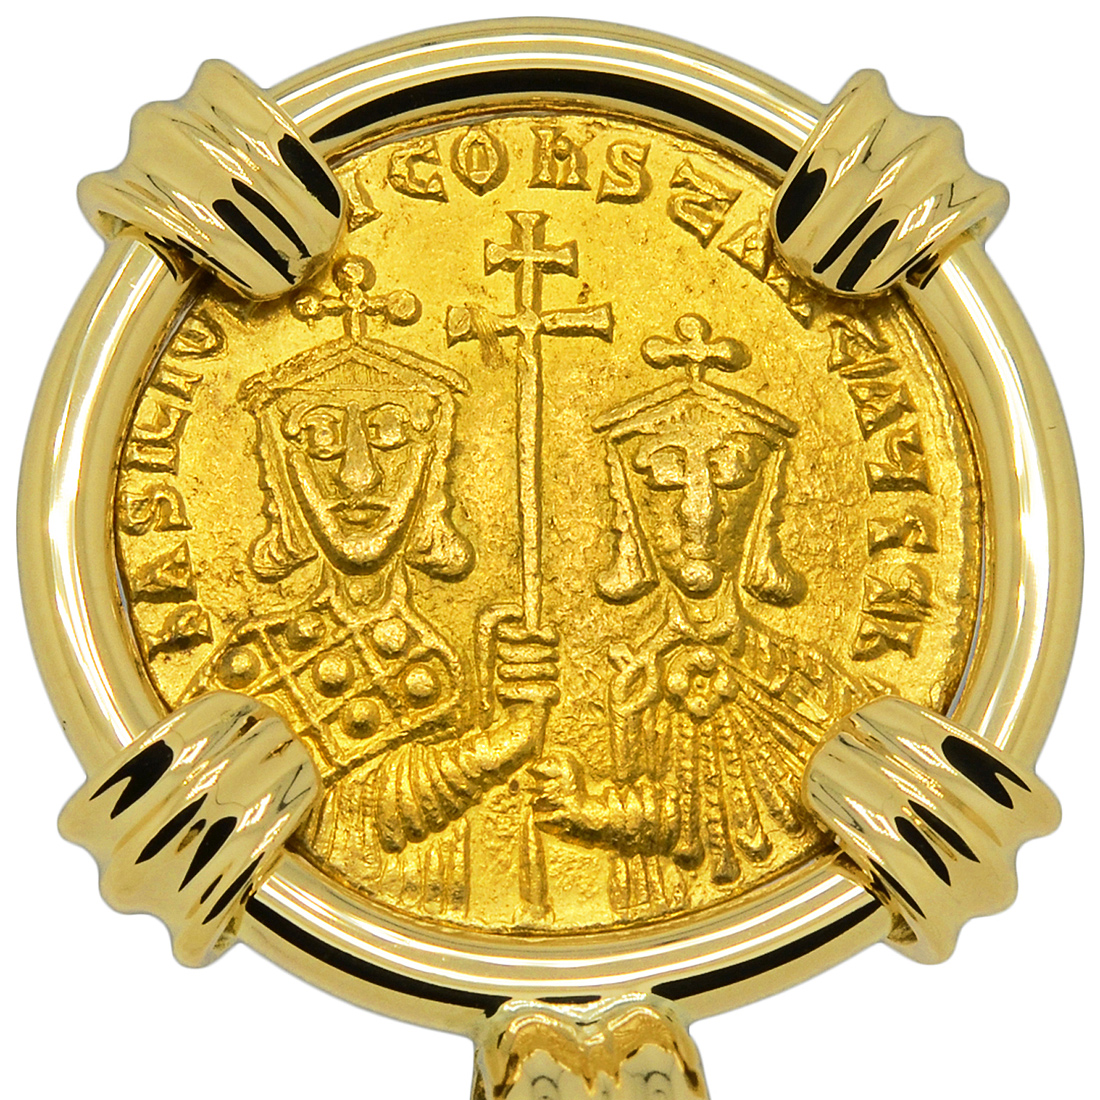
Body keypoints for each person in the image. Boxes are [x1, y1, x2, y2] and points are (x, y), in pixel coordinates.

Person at [187, 328, 558, 918]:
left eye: (390, 437)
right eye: (321, 440)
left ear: (432, 463)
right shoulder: (255, 657)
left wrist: (516, 725)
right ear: (283, 470)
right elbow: (232, 829)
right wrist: (501, 742)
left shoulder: (439, 660)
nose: (358, 477)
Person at [532, 315, 873, 918]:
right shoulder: (622, 676)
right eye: (666, 480)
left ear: (763, 500)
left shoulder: (815, 684)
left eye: (726, 478)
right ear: (630, 506)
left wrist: (591, 807)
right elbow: (675, 821)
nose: (699, 511)